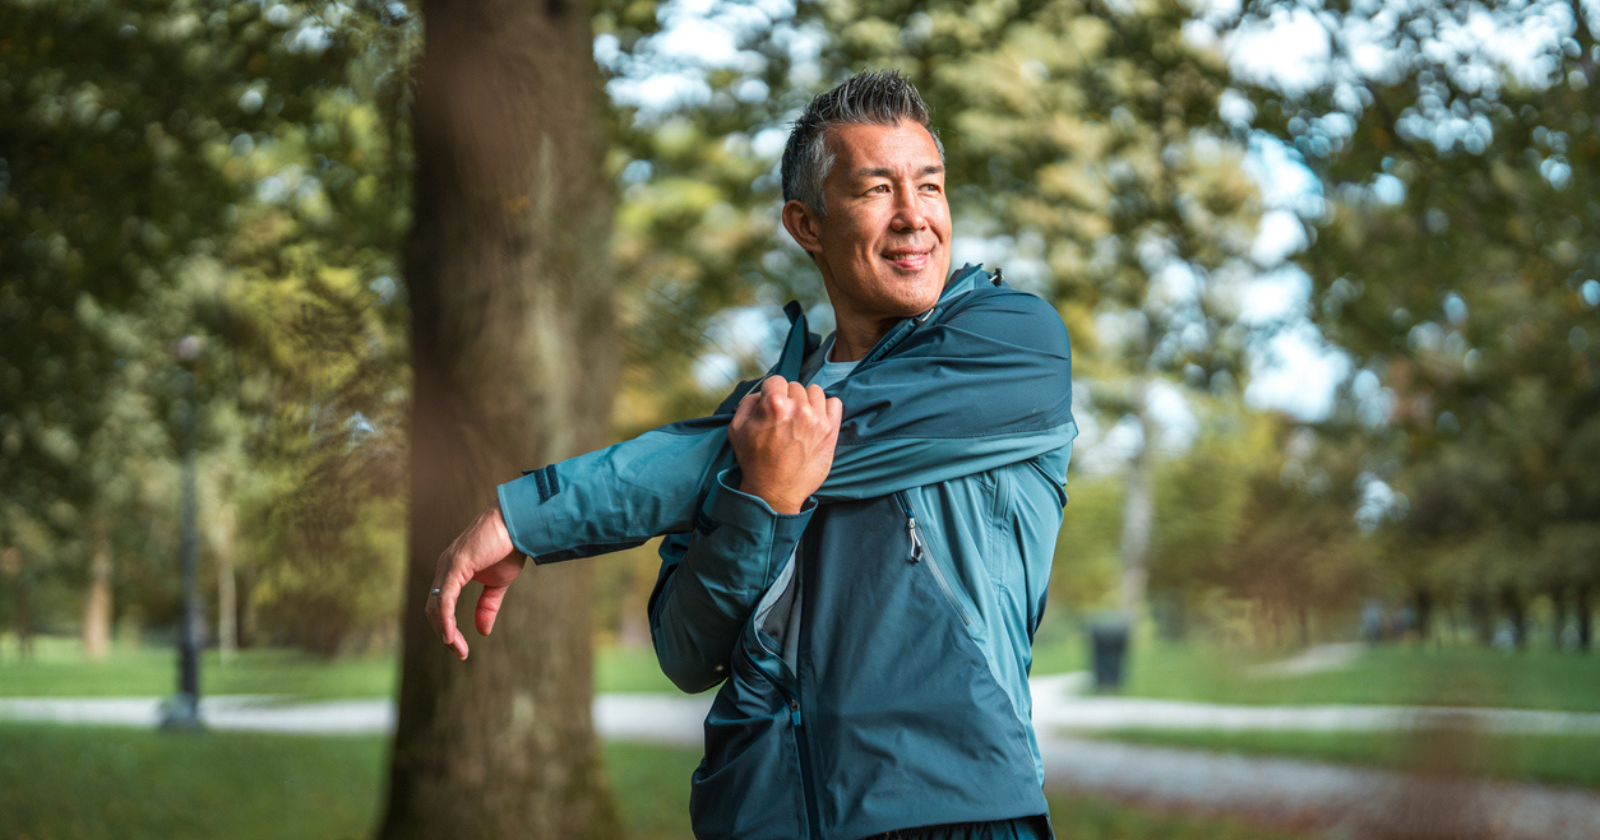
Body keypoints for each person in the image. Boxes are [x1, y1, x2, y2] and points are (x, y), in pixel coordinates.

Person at [425, 71, 1076, 840]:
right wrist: (762, 501)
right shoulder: (751, 411)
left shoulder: (1008, 345)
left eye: (929, 187)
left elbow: (788, 443)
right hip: (761, 815)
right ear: (806, 224)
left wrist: (528, 515)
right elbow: (686, 650)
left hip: (952, 813)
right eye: (876, 189)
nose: (914, 219)